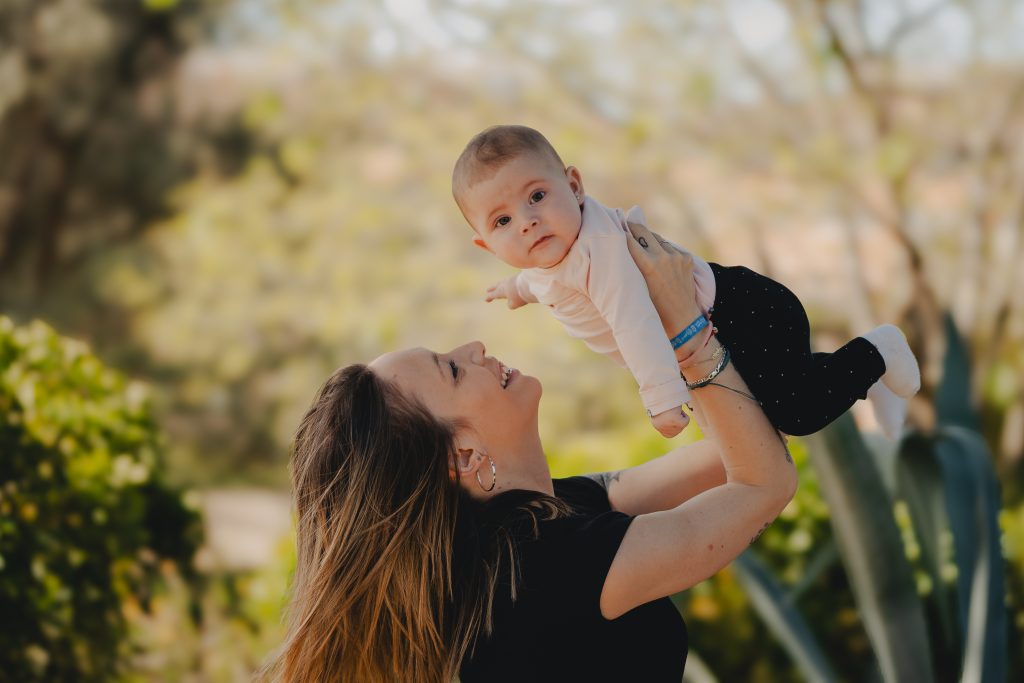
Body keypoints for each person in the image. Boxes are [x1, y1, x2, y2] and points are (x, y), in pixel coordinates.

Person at [259, 223, 799, 682]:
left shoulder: (538, 526)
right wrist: (685, 328)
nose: (473, 348)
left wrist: (640, 315)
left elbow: (738, 452)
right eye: (450, 368)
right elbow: (762, 485)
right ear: (463, 454)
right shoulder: (547, 565)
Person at [452, 124, 921, 440]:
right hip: (717, 328)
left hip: (743, 315)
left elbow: (634, 323)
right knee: (759, 415)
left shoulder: (600, 251)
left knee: (791, 414)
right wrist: (514, 290)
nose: (528, 221)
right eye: (502, 221)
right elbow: (540, 282)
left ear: (574, 186)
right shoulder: (548, 260)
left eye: (537, 195)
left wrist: (661, 399)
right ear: (485, 245)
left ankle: (878, 350)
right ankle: (864, 374)